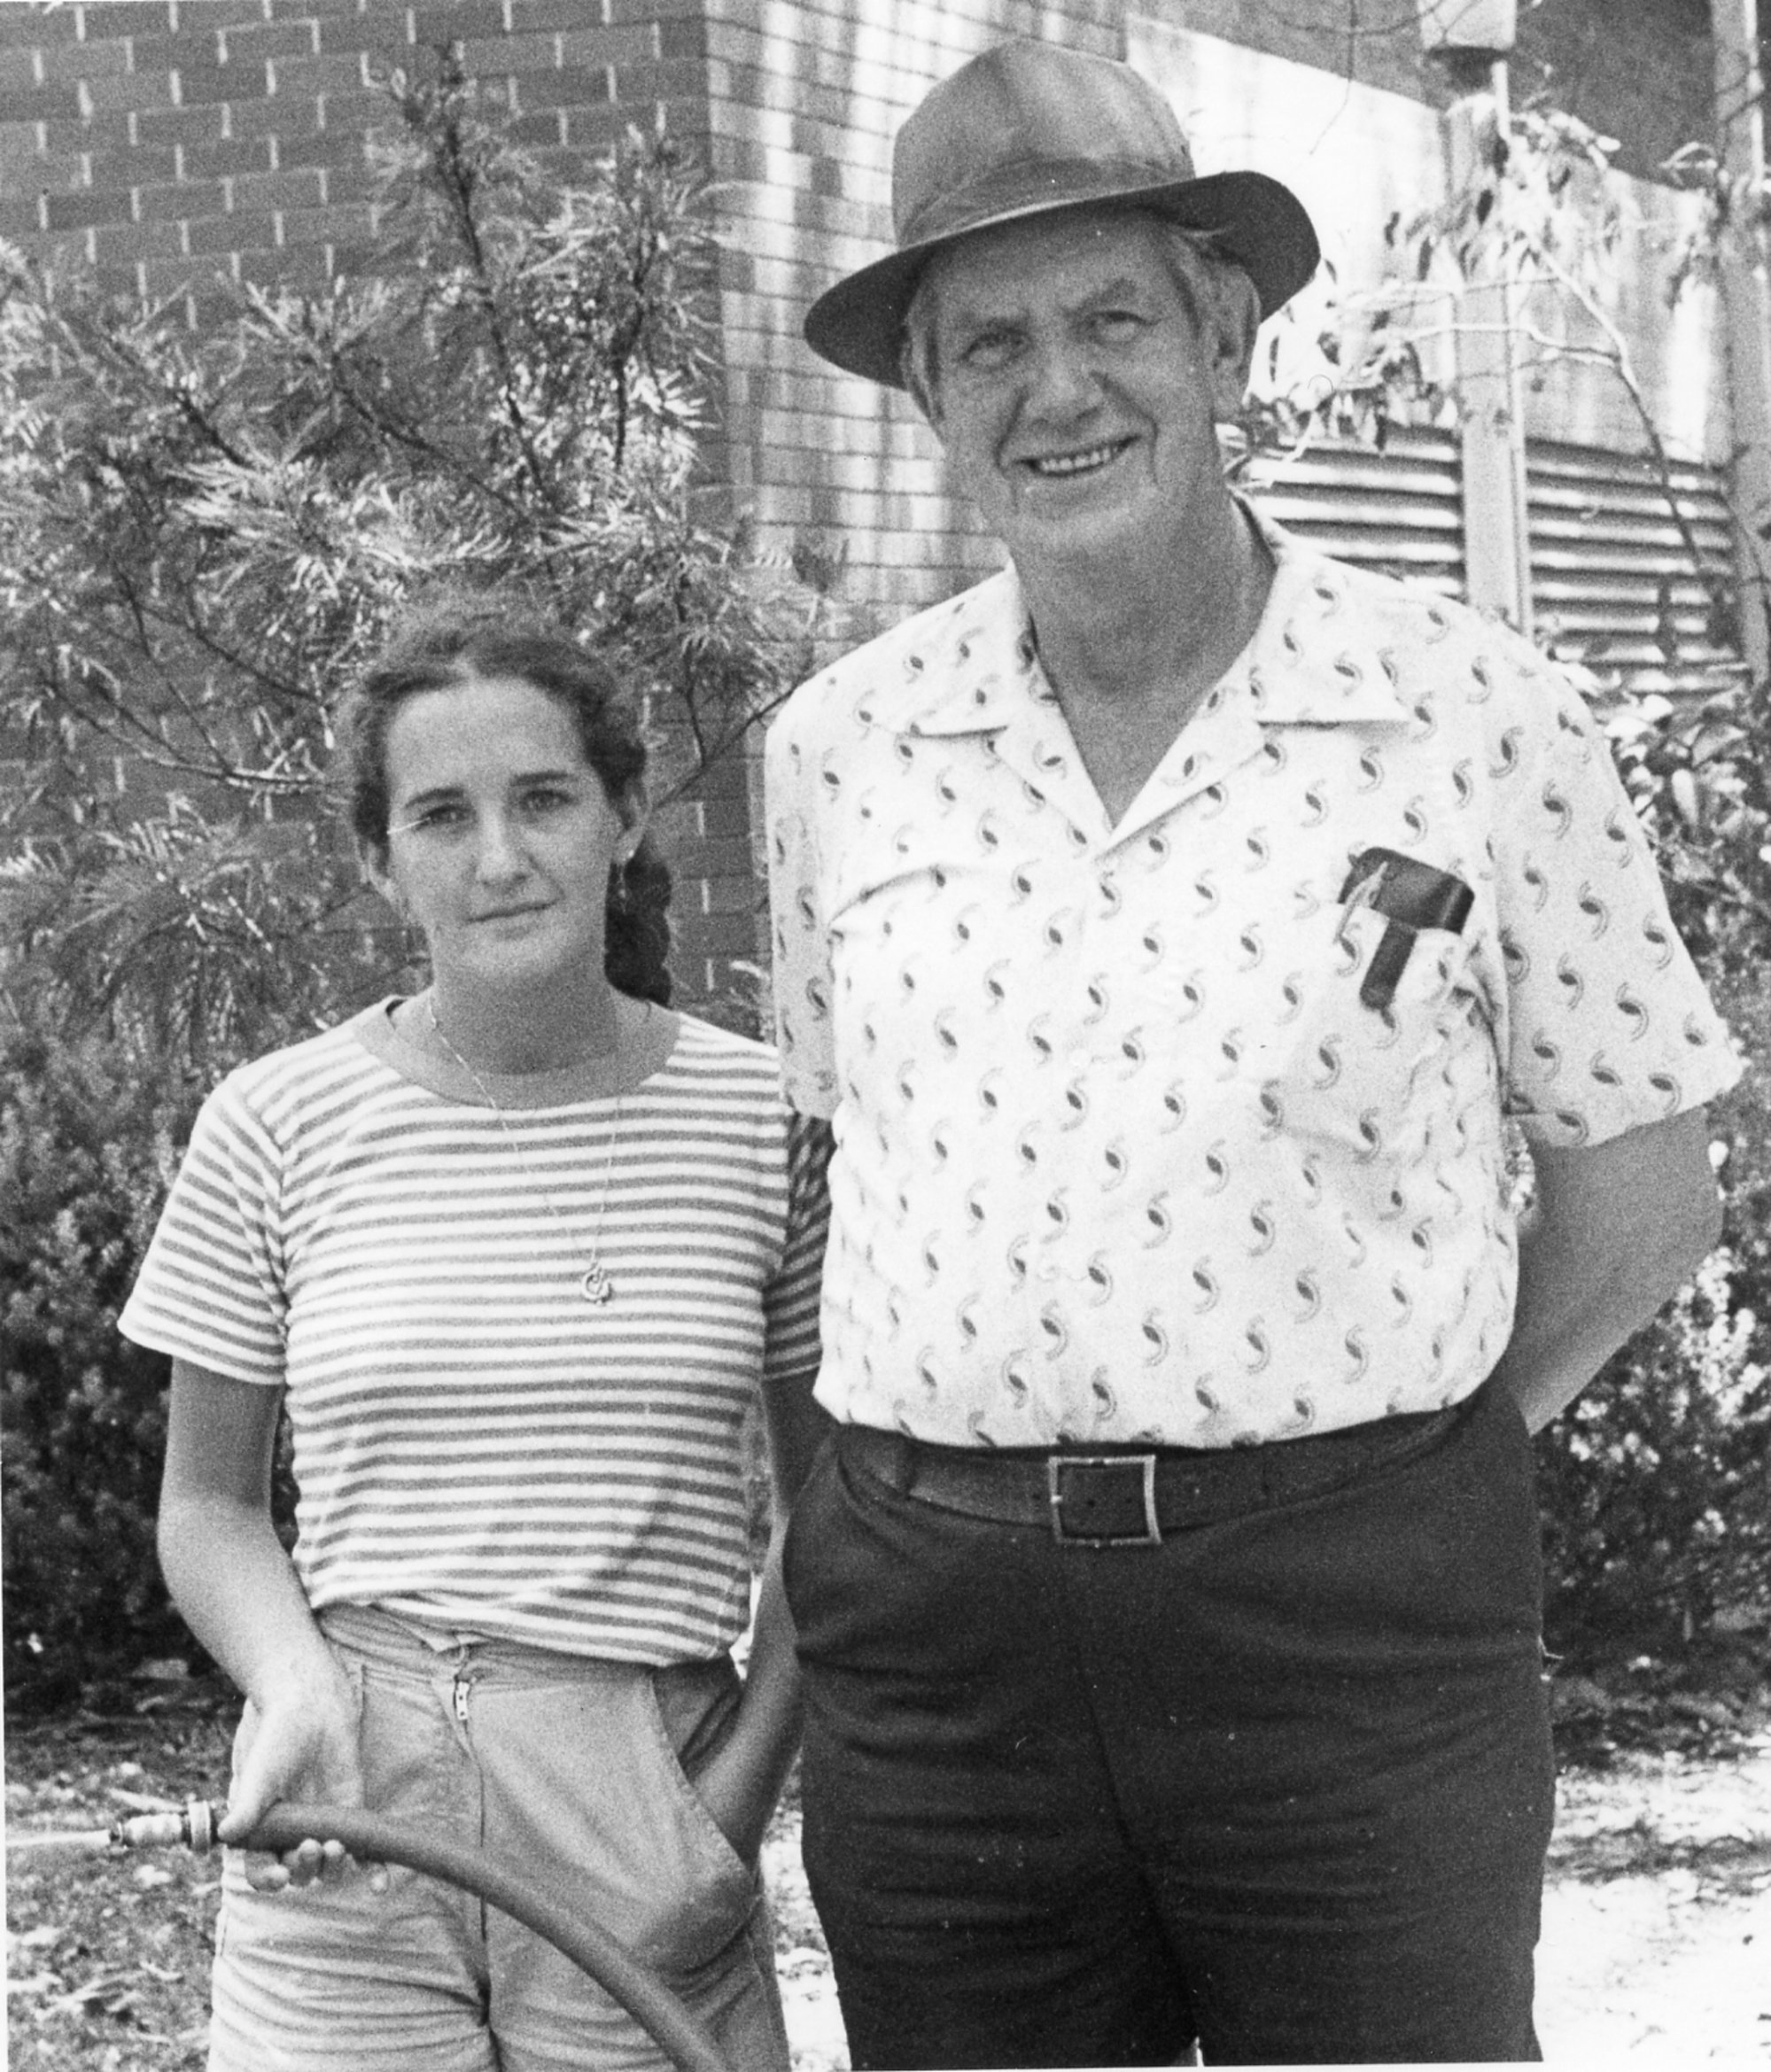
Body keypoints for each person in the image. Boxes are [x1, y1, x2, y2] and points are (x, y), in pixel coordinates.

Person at [764, 37, 1741, 2070]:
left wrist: (1405, 1461)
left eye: (1112, 320)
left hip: (1347, 1632)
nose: (1058, 389)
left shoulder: (1474, 714)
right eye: (989, 344)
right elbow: (853, 1152)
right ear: (927, 397)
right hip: (940, 1663)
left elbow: (1645, 1188)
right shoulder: (840, 751)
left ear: (1223, 341)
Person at [120, 600, 828, 2071]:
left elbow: (832, 1509)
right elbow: (208, 1507)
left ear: (623, 817)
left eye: (545, 799)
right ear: (380, 860)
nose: (499, 858)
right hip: (348, 1792)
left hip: (643, 1791)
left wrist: (731, 1804)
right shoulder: (276, 1121)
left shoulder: (764, 1119)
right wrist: (294, 1685)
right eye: (441, 815)